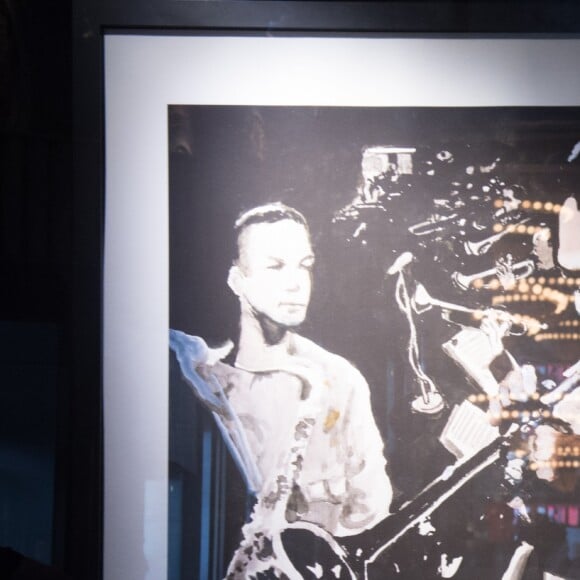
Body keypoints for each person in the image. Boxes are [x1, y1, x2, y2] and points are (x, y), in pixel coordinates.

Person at [171, 202, 392, 578]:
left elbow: (370, 514)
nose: (296, 282)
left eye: (304, 265)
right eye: (275, 266)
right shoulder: (193, 375)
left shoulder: (341, 382)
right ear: (236, 279)